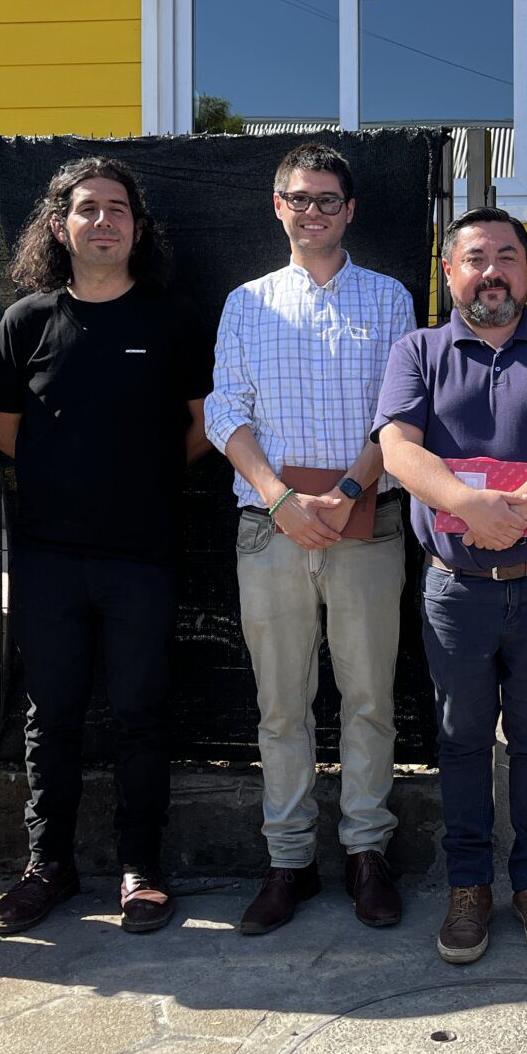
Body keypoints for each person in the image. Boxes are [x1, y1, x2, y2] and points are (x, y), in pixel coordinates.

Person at [0, 157, 212, 938]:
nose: (103, 221)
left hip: (142, 554)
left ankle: (141, 868)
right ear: (59, 226)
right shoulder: (26, 322)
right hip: (48, 556)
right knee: (53, 716)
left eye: (118, 209)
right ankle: (48, 867)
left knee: (142, 714)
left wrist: (138, 477)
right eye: (87, 209)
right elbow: (4, 434)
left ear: (137, 228)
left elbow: (204, 426)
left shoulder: (172, 320)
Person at [375, 209, 527, 964]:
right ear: (451, 273)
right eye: (476, 258)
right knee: (464, 739)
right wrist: (466, 504)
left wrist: (516, 513)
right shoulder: (419, 351)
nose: (493, 272)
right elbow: (397, 447)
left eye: (508, 257)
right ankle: (468, 886)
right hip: (456, 590)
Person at [206, 143, 416, 935]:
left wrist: (350, 490)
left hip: (366, 524)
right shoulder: (247, 303)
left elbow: (397, 416)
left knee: (368, 701)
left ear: (350, 209)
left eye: (328, 199)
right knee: (280, 706)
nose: (313, 211)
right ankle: (287, 861)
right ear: (277, 205)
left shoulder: (390, 298)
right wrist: (281, 496)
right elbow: (224, 411)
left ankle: (367, 855)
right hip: (272, 529)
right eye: (299, 198)